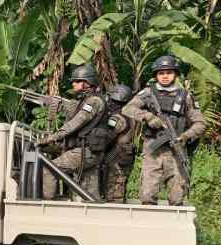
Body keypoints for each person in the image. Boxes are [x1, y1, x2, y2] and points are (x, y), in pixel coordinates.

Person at [122, 55, 205, 205]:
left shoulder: (185, 96)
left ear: (175, 74)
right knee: (147, 195)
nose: (165, 76)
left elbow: (200, 123)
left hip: (176, 150)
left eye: (169, 72)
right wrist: (148, 116)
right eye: (161, 73)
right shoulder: (148, 93)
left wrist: (186, 136)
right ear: (156, 75)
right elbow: (127, 109)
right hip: (152, 150)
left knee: (177, 197)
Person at [37, 64, 109, 200]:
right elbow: (75, 114)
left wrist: (53, 137)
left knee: (49, 168)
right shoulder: (87, 101)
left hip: (85, 151)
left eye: (76, 81)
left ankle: (47, 206)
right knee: (90, 194)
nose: (73, 84)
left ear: (87, 83)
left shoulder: (93, 101)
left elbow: (76, 122)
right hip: (90, 151)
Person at [102, 84, 136, 202]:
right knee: (118, 185)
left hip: (116, 156)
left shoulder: (117, 117)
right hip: (123, 154)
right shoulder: (128, 113)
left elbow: (108, 137)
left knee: (115, 189)